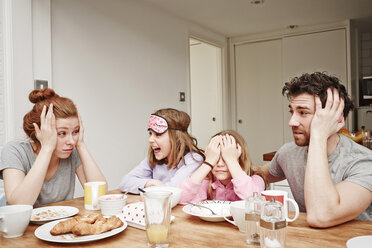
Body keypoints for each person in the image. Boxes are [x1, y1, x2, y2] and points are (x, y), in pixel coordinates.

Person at [261, 72, 372, 227]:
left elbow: (321, 216)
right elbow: (259, 175)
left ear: (337, 118)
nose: (291, 122)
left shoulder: (364, 162)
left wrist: (318, 136)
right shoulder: (288, 153)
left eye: (303, 112)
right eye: (292, 112)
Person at [0, 88, 106, 207]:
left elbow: (100, 197)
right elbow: (18, 205)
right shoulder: (14, 151)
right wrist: (46, 149)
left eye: (75, 131)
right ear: (39, 131)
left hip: (60, 224)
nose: (71, 141)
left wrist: (81, 145)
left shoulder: (71, 150)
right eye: (62, 133)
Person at [119, 108, 204, 194]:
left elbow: (172, 190)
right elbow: (124, 182)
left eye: (158, 134)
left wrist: (148, 186)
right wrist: (149, 183)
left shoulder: (194, 160)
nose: (150, 140)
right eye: (150, 134)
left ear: (176, 137)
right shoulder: (153, 160)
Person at [178, 130, 266, 204]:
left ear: (240, 159)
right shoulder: (207, 181)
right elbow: (180, 198)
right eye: (215, 158)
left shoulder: (256, 179)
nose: (220, 164)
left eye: (225, 158)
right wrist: (208, 162)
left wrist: (232, 161)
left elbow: (255, 202)